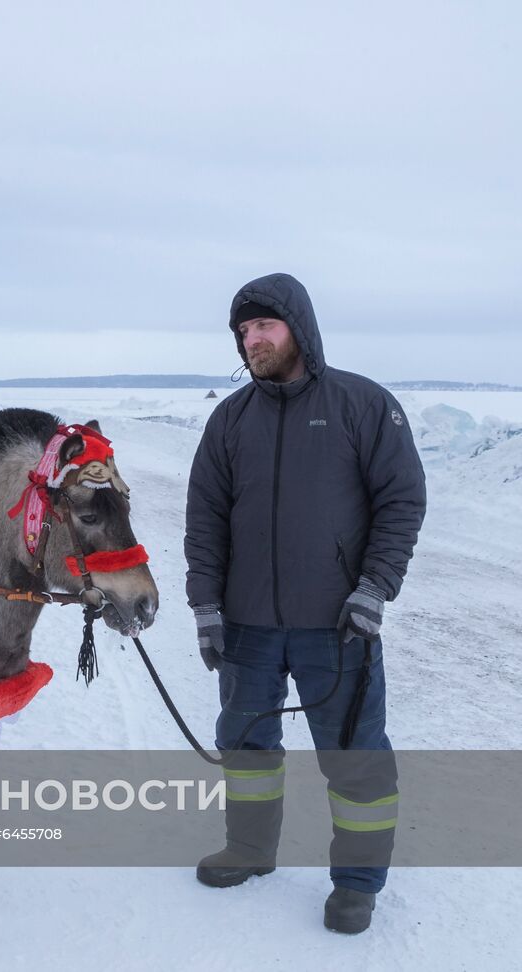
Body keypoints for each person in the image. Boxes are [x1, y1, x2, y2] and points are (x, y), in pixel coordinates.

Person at [184, 273, 426, 935]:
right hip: (248, 625)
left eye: (264, 326)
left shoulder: (361, 404)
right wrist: (207, 606)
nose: (252, 339)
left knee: (355, 755)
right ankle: (252, 849)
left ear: (297, 327)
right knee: (246, 746)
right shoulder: (230, 418)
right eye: (243, 330)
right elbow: (204, 518)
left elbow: (401, 502)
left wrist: (374, 589)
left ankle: (356, 883)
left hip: (337, 625)